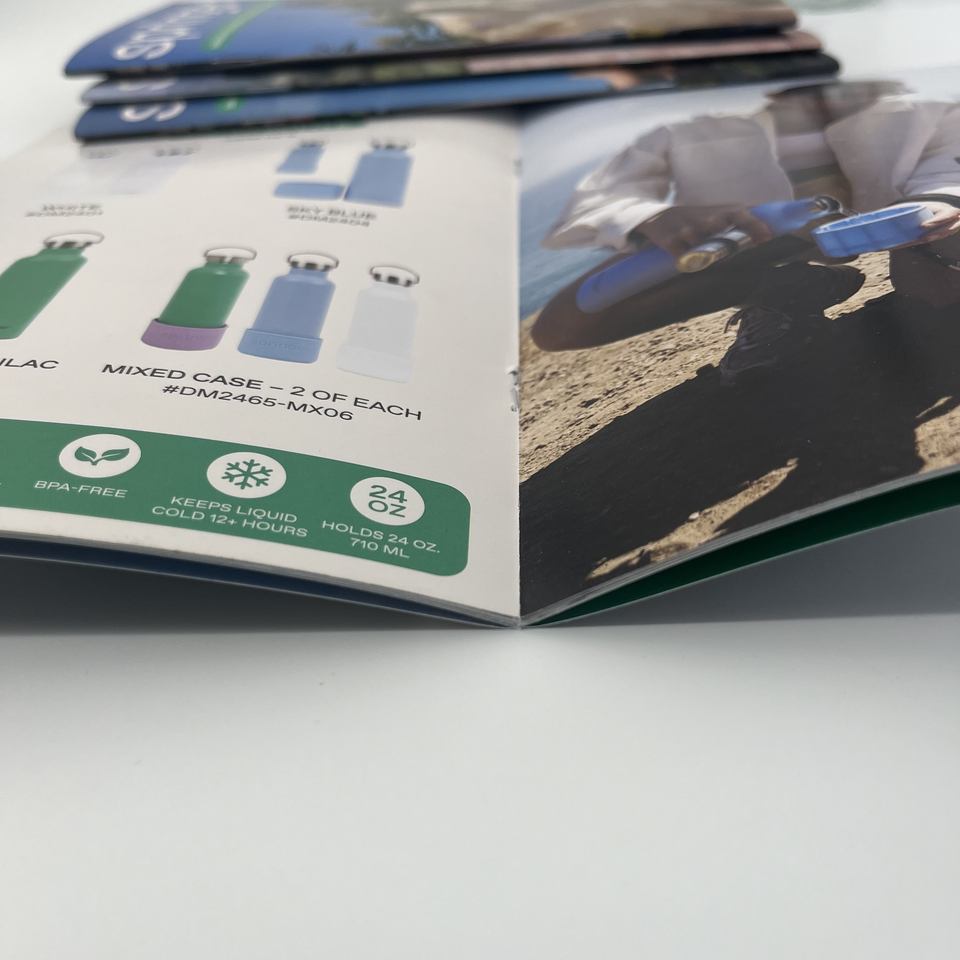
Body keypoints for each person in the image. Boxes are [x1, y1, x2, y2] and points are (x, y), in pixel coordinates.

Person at [532, 80, 960, 380]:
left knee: (931, 289)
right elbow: (600, 200)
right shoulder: (687, 123)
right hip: (762, 232)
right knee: (564, 324)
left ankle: (920, 255)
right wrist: (652, 218)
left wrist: (938, 207)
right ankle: (785, 290)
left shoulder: (916, 100)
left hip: (903, 213)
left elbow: (947, 161)